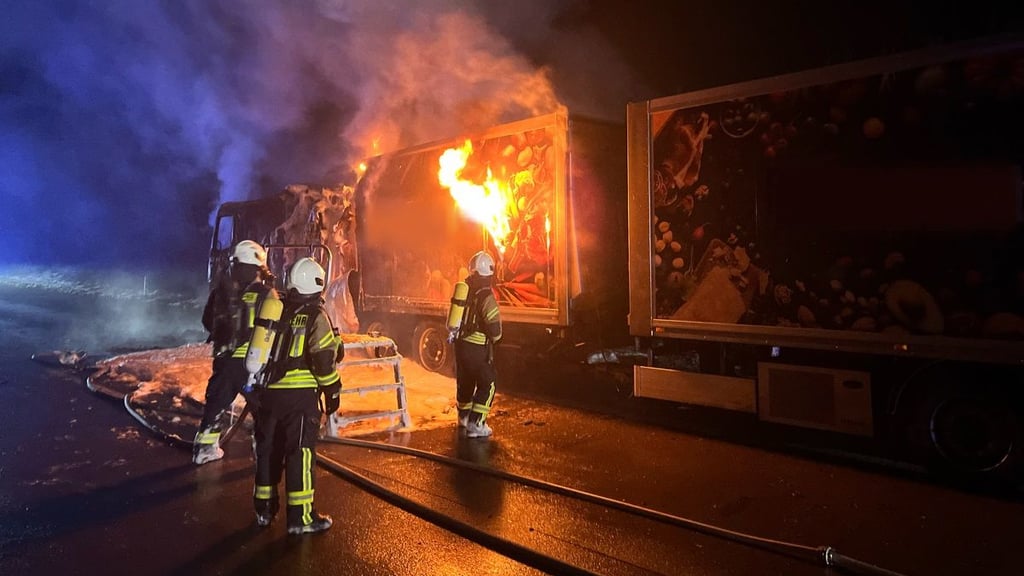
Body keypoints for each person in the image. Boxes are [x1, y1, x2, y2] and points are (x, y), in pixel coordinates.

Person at [251, 257, 342, 534]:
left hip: (268, 393)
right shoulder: (316, 315)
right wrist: (333, 390)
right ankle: (301, 518)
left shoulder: (277, 309)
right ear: (317, 283)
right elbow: (323, 360)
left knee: (268, 451)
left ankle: (264, 511)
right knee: (299, 452)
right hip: (299, 397)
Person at [194, 240, 274, 465]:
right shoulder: (266, 294)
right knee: (264, 409)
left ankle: (204, 449)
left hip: (223, 359)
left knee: (216, 404)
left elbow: (207, 321)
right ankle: (264, 451)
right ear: (258, 267)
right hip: (253, 363)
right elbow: (274, 329)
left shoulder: (220, 291)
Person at [454, 250, 503, 438]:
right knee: (488, 382)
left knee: (465, 381)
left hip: (461, 345)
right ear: (488, 273)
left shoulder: (465, 290)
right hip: (477, 349)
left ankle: (463, 418)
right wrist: (497, 339)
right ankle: (476, 423)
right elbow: (495, 331)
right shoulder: (486, 296)